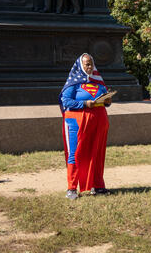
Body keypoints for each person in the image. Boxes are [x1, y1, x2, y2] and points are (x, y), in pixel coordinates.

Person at [60, 53, 111, 200]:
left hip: (98, 122)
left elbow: (105, 101)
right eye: (86, 64)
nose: (89, 67)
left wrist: (107, 100)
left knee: (97, 153)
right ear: (80, 65)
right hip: (77, 123)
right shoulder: (73, 84)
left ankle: (98, 186)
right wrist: (84, 104)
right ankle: (71, 188)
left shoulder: (98, 84)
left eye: (91, 64)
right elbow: (66, 101)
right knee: (75, 153)